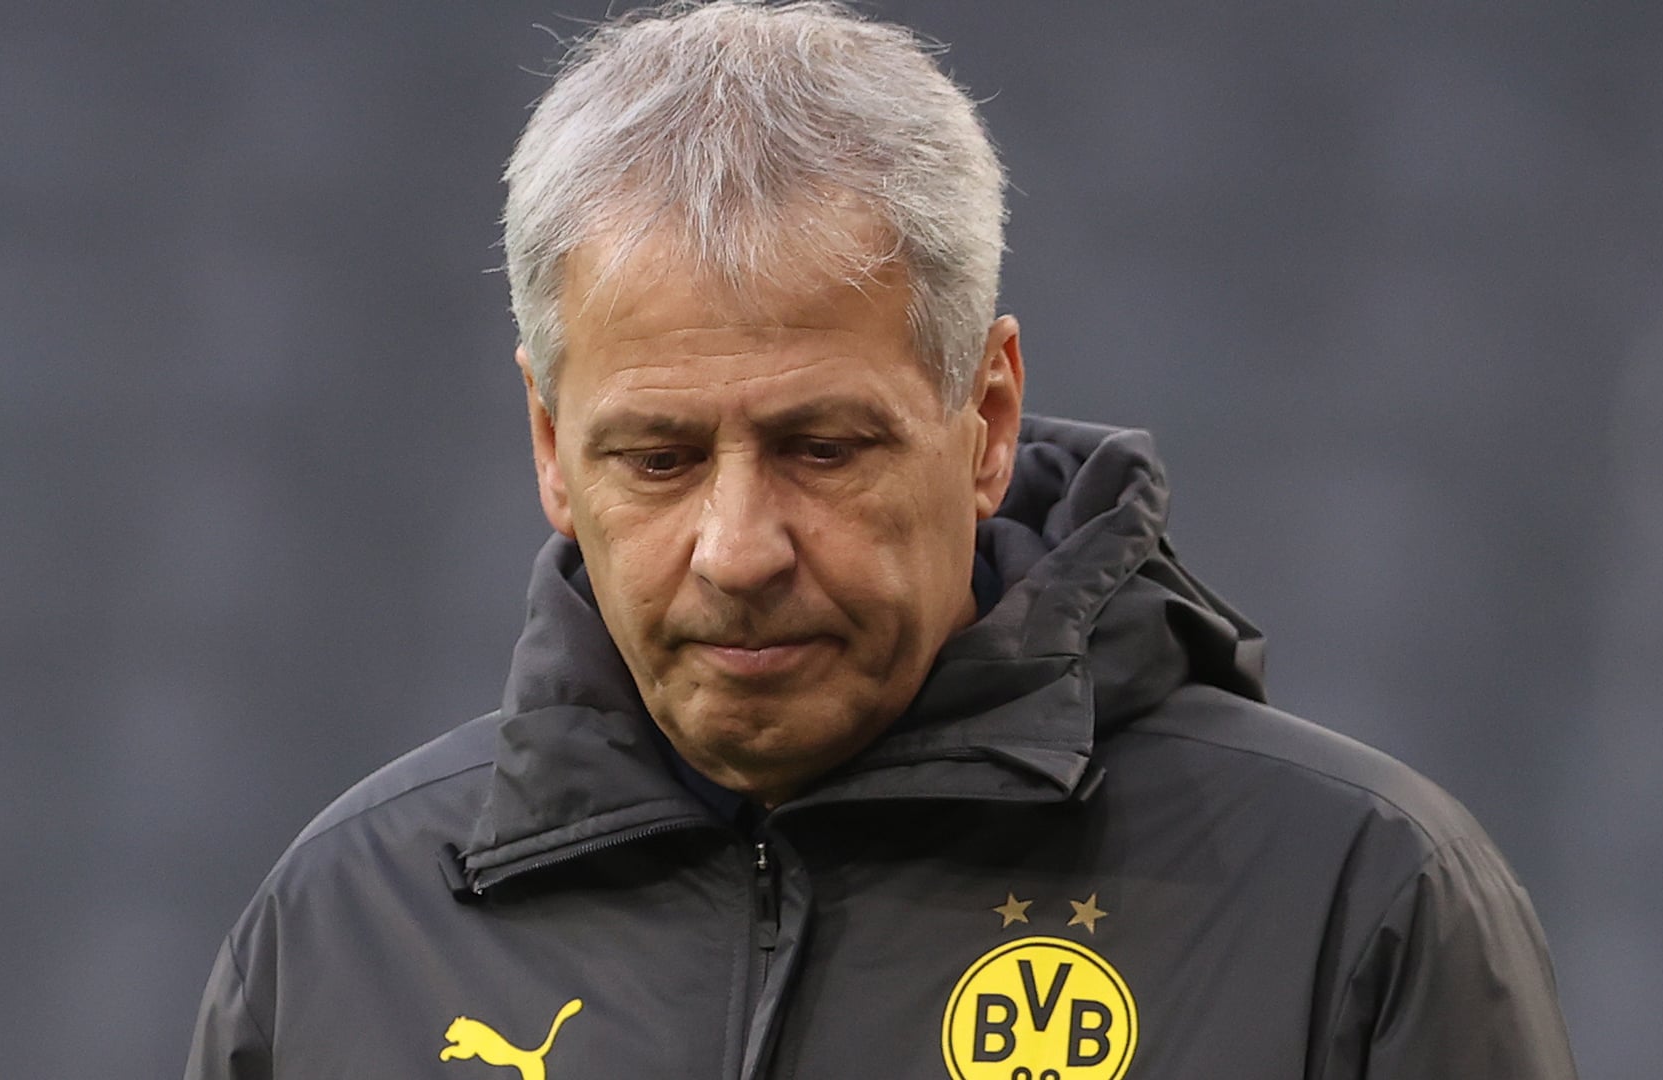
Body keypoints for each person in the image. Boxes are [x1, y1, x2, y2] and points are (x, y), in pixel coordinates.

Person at [185, 3, 1578, 1078]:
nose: (737, 549)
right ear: (551, 447)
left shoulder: (1350, 901)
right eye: (659, 458)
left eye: (823, 448)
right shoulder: (337, 937)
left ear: (986, 419)